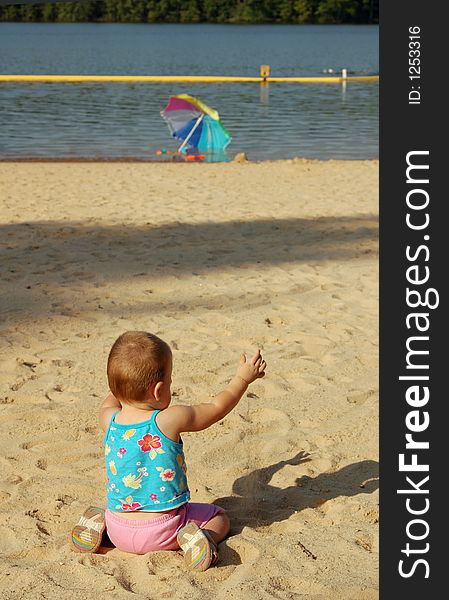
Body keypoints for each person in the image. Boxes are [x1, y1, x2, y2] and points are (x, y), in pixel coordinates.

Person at [71, 331, 266, 571]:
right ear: (157, 390)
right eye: (170, 382)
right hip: (165, 531)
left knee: (119, 515)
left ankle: (100, 529)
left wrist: (122, 384)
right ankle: (201, 541)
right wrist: (242, 379)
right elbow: (216, 408)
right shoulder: (168, 420)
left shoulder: (109, 419)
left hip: (118, 529)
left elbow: (109, 401)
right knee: (219, 517)